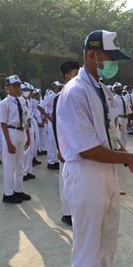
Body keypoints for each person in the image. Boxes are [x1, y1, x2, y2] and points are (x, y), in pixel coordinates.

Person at [56, 29, 133, 267]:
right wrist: (129, 157)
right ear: (92, 55)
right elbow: (87, 149)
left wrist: (125, 158)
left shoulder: (101, 90)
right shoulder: (75, 92)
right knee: (88, 248)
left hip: (106, 171)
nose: (112, 63)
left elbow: (108, 133)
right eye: (109, 57)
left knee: (107, 242)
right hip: (85, 173)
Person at [52, 60, 80, 226]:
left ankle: (75, 209)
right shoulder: (60, 97)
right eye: (74, 74)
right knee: (65, 180)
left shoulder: (79, 94)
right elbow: (56, 124)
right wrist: (59, 148)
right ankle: (66, 213)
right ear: (66, 76)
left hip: (78, 143)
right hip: (66, 145)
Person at [0, 75, 31, 204]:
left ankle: (18, 190)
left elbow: (26, 118)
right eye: (15, 86)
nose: (18, 88)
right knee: (9, 166)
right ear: (8, 88)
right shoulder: (4, 104)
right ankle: (8, 193)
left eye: (19, 85)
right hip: (11, 133)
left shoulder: (22, 101)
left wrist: (27, 136)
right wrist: (8, 143)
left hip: (21, 131)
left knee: (20, 165)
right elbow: (3, 124)